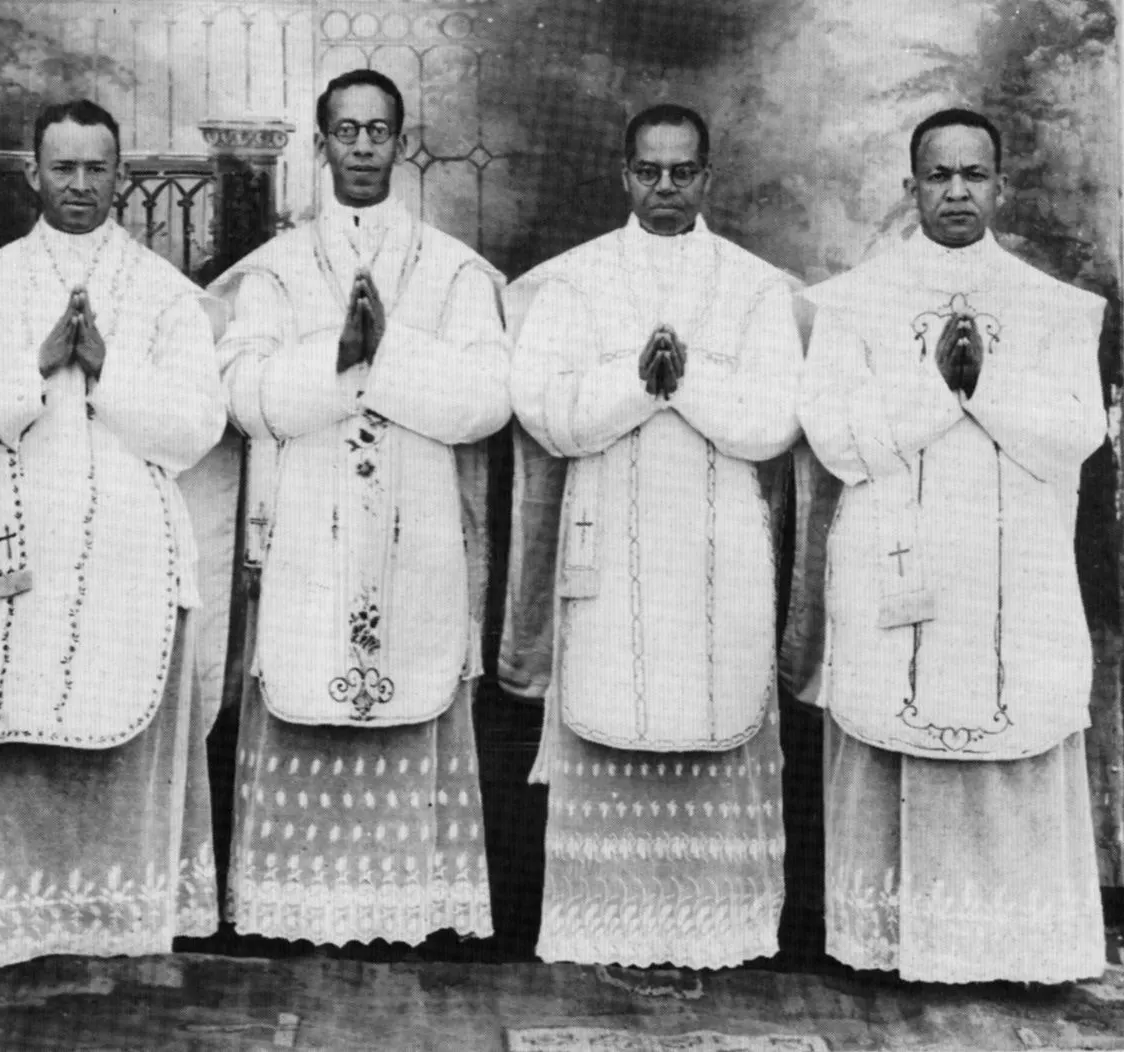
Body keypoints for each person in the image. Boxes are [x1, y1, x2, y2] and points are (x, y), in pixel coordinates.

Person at [797, 108, 1107, 982]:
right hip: (901, 570)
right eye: (939, 175)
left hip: (1013, 573)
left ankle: (1013, 947)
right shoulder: (853, 302)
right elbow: (834, 438)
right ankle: (889, 944)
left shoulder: (1056, 308)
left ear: (1001, 187)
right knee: (895, 718)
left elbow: (1076, 433)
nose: (958, 191)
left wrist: (985, 383)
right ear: (912, 188)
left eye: (974, 175)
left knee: (1014, 723)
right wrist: (941, 391)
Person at [211, 68, 510, 948]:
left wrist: (392, 354)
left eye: (379, 131)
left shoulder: (455, 271)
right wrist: (337, 358)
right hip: (312, 531)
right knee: (306, 685)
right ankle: (294, 905)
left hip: (419, 529)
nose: (364, 147)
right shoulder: (274, 272)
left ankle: (411, 903)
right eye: (347, 131)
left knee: (415, 686)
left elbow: (489, 398)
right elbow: (242, 394)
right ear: (321, 144)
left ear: (401, 142)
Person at [0, 99, 226, 965]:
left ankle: (120, 924)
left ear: (121, 175)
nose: (81, 185)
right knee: (15, 728)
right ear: (34, 173)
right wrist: (36, 365)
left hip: (124, 559)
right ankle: (17, 920)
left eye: (98, 168)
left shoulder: (169, 297)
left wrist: (105, 366)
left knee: (116, 728)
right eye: (65, 167)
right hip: (12, 558)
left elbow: (195, 428)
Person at [510, 103, 802, 967]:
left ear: (707, 176)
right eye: (649, 171)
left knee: (715, 707)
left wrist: (684, 382)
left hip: (717, 546)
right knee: (611, 708)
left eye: (682, 171)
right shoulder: (571, 282)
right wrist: (639, 386)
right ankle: (602, 917)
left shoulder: (757, 288)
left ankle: (718, 920)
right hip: (611, 539)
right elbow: (547, 411)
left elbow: (774, 422)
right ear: (624, 175)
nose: (665, 187)